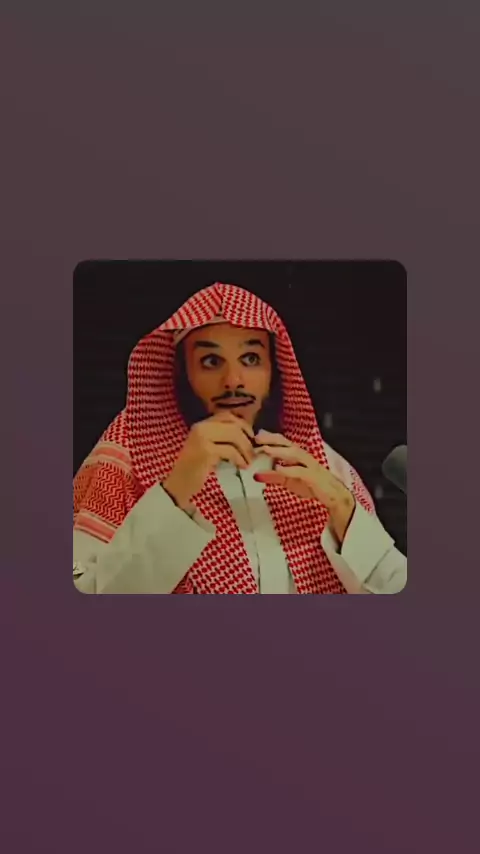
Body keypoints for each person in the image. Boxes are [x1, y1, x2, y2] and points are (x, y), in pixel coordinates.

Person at [73, 282, 407, 594]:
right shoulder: (126, 457)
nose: (233, 380)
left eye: (250, 359)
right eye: (211, 361)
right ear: (181, 374)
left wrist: (345, 511)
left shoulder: (323, 465)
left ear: (274, 370)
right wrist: (176, 489)